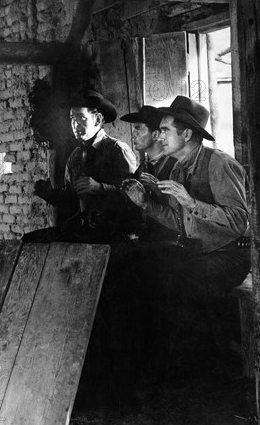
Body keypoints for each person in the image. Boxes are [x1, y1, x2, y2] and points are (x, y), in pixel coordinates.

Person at [96, 96, 250, 405]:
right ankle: (131, 370)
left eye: (165, 130)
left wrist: (192, 203)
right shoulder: (180, 169)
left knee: (172, 283)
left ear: (187, 135)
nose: (158, 136)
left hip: (231, 254)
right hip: (198, 250)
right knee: (134, 273)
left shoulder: (218, 163)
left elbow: (239, 221)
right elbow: (180, 224)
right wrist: (146, 204)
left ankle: (185, 373)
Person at [23, 90, 138, 243]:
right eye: (72, 119)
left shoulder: (117, 150)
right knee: (31, 241)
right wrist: (50, 195)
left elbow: (134, 200)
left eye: (81, 118)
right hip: (85, 227)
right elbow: (73, 200)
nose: (74, 124)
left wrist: (101, 188)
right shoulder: (75, 157)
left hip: (114, 231)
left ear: (97, 119)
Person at [120, 105, 177, 241]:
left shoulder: (175, 166)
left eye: (138, 128)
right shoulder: (142, 167)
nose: (133, 134)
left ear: (156, 135)